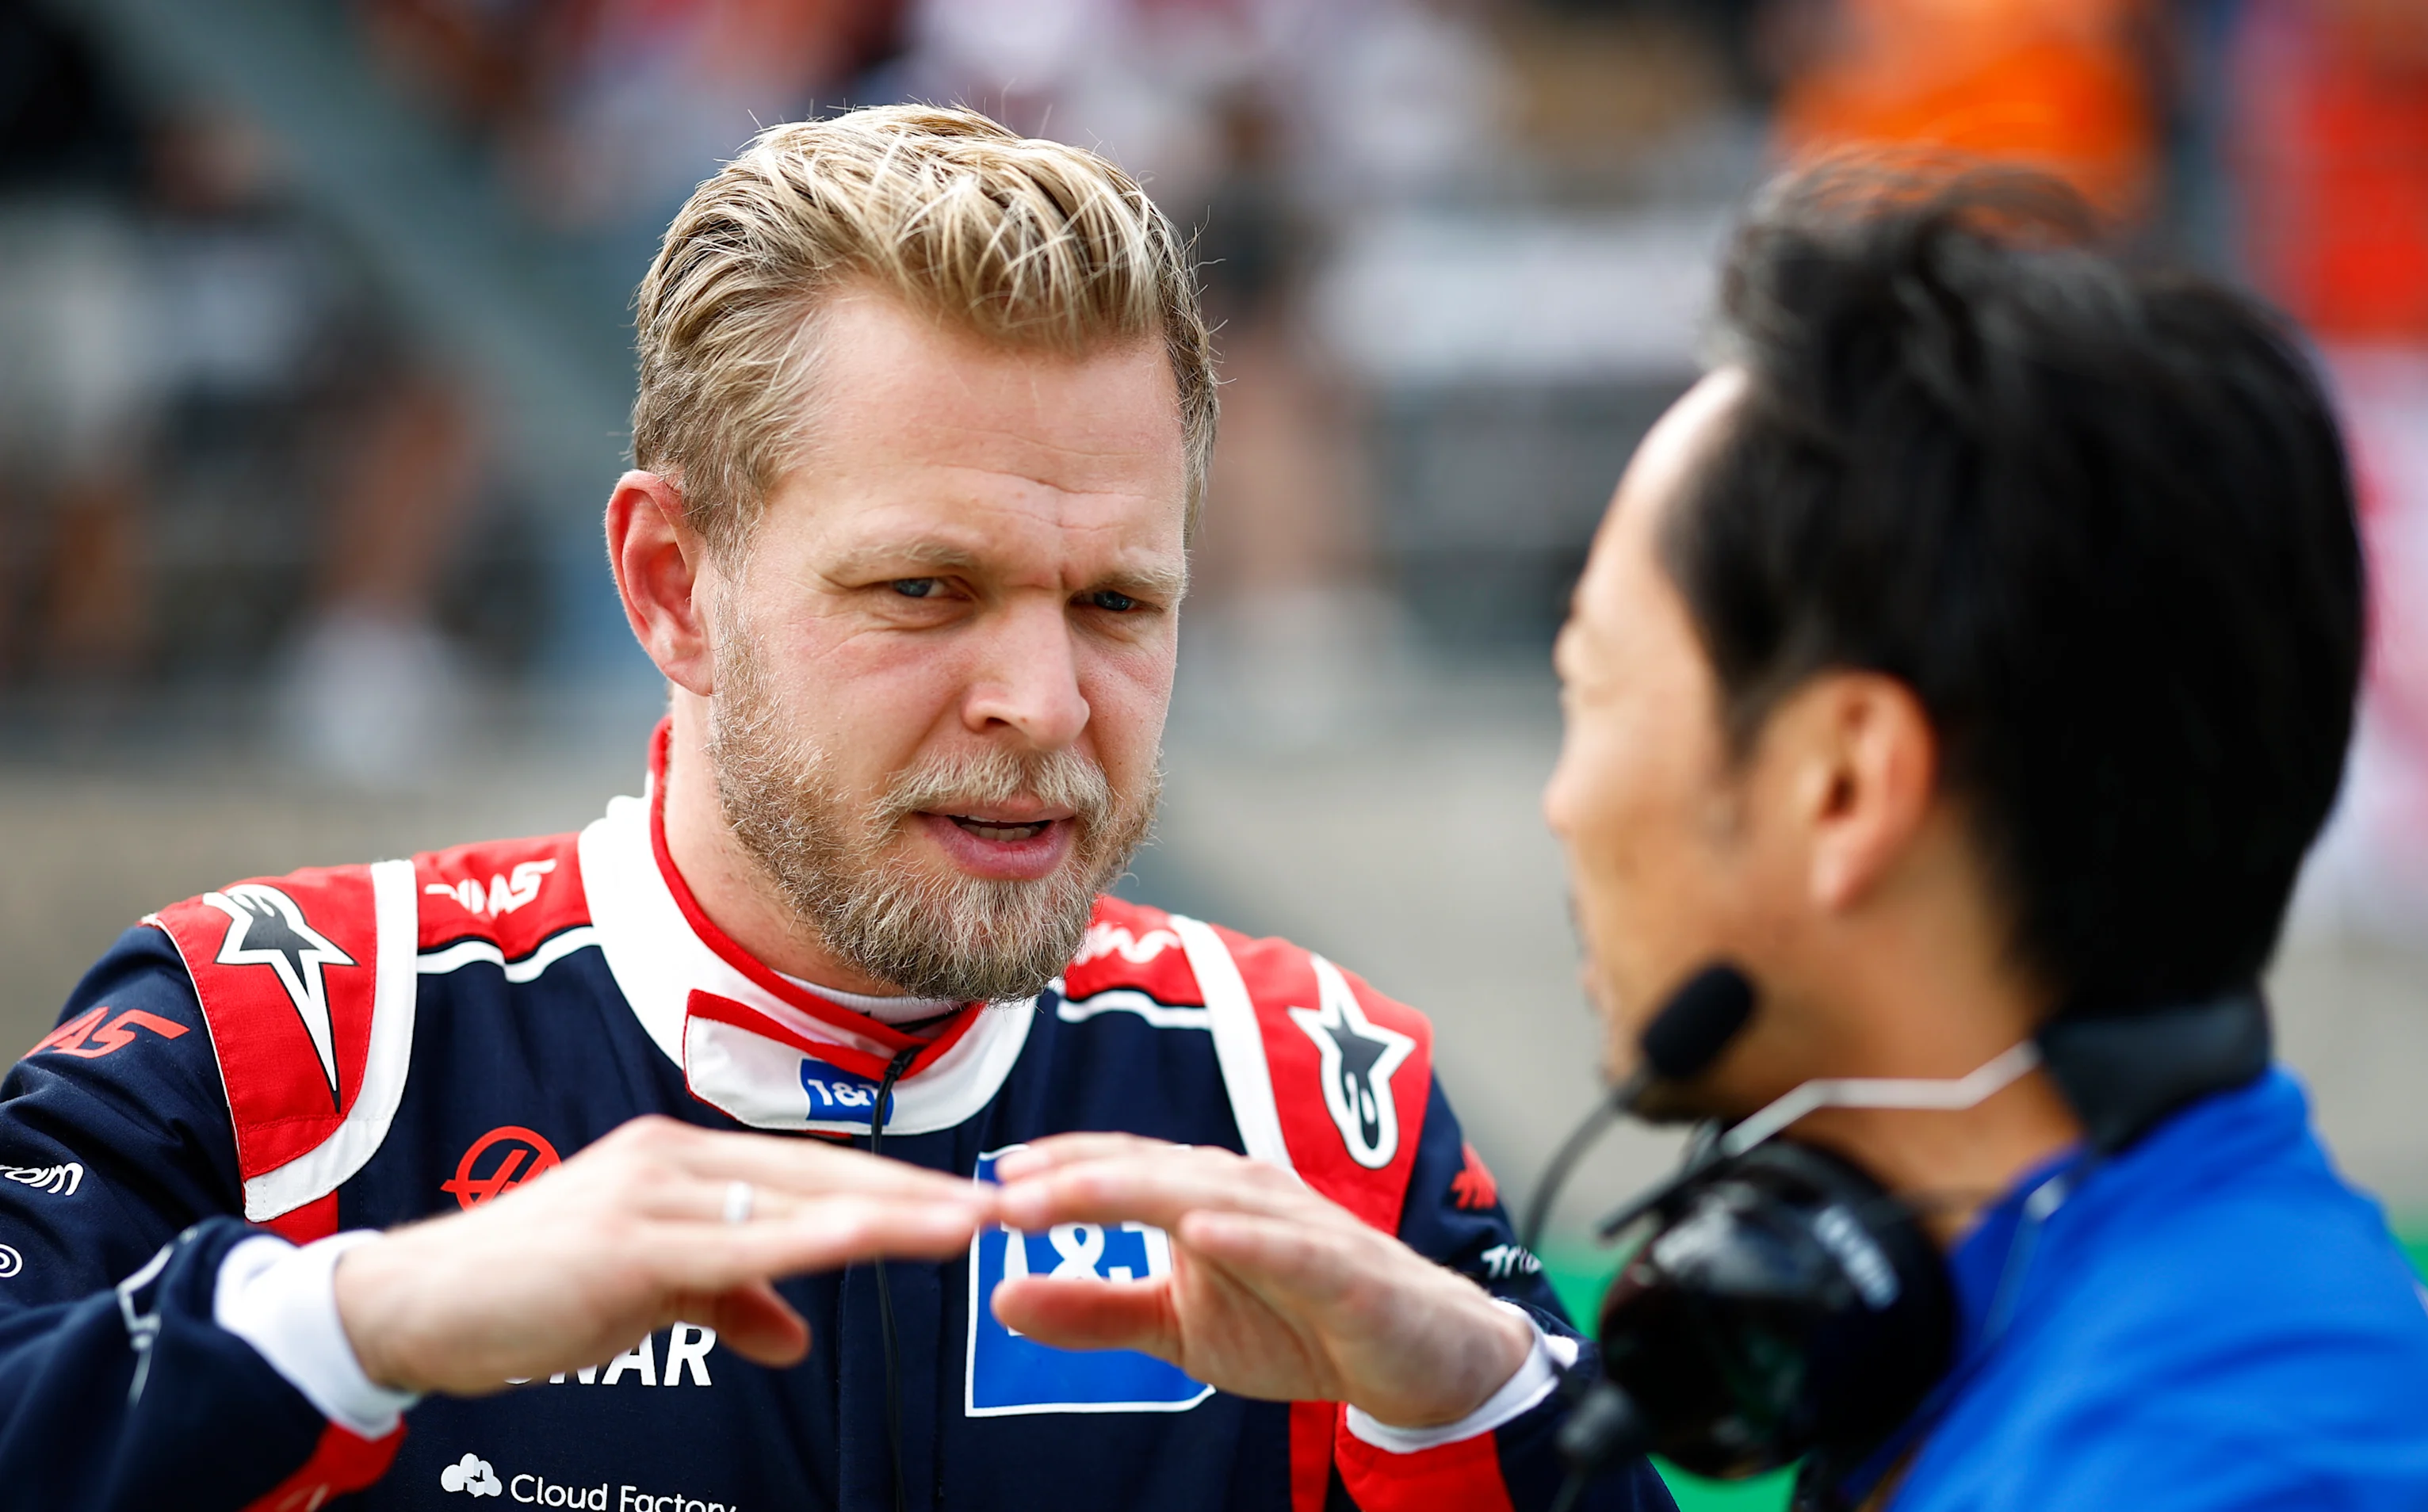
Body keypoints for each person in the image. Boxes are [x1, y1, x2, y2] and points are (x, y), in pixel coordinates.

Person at [0, 106, 1669, 1512]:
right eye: (926, 588)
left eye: (1114, 604)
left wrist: (1471, 1404)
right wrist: (360, 1317)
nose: (1045, 701)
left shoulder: (1315, 1095)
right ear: (670, 587)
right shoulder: (282, 1036)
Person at [1521, 164, 2428, 1506]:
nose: (1562, 799)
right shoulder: (2183, 1321)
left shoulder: (2197, 1462)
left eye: (1592, 692)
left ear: (1845, 786)